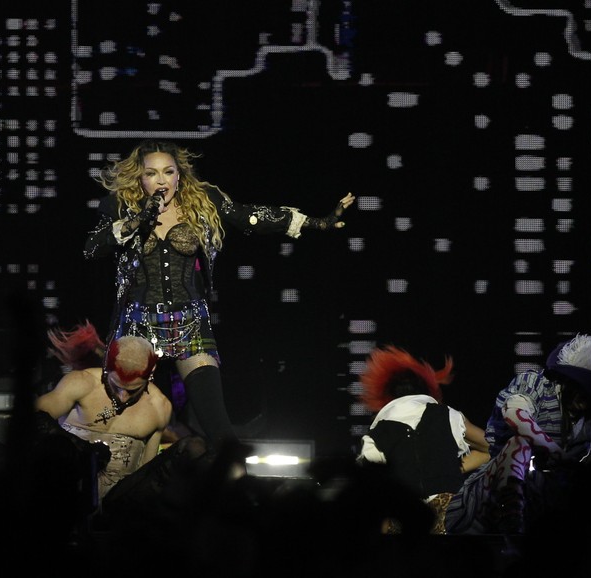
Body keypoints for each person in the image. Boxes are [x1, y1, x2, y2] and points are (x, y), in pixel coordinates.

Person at [84, 139, 356, 447]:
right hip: (137, 329)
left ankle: (228, 484)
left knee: (218, 427)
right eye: (152, 173)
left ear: (178, 175)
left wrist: (318, 222)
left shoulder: (203, 201)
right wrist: (137, 220)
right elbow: (92, 248)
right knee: (129, 428)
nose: (161, 180)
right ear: (140, 177)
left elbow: (251, 216)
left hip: (190, 324)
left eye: (168, 171)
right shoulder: (119, 207)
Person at [444, 333, 591, 535]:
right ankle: (510, 516)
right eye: (583, 386)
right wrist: (554, 452)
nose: (586, 396)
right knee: (519, 444)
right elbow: (515, 415)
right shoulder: (536, 385)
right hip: (493, 493)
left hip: (548, 505)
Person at [356, 345, 489, 533]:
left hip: (405, 525)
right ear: (427, 389)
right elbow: (492, 447)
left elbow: (375, 494)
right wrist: (449, 468)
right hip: (451, 521)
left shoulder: (375, 435)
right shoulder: (448, 415)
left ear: (385, 395)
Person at [36, 324, 174, 501]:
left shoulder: (159, 407)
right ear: (106, 369)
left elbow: (145, 475)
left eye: (133, 390)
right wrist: (82, 448)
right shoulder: (80, 383)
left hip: (118, 507)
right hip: (61, 495)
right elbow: (31, 419)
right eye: (116, 386)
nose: (123, 397)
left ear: (151, 374)